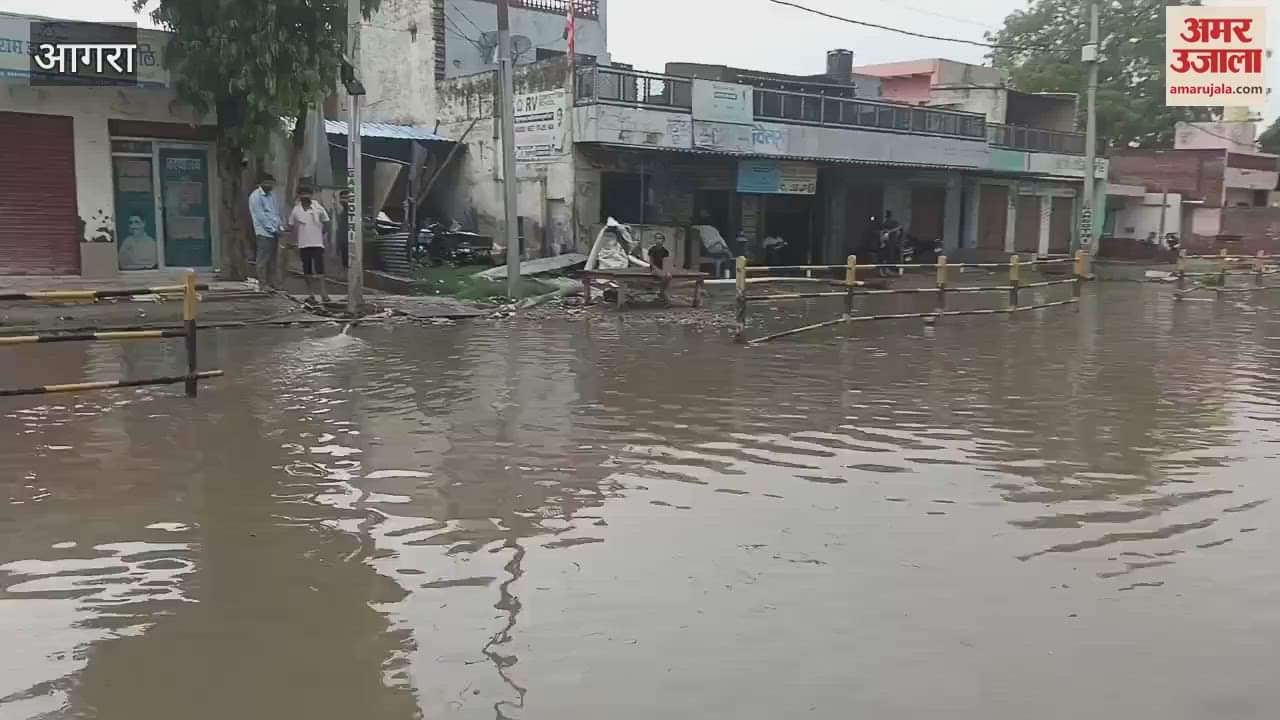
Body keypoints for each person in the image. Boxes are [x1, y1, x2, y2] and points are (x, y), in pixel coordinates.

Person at [287, 185, 332, 303]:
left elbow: (327, 221)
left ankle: (324, 293)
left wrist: (324, 235)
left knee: (320, 269)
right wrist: (289, 240)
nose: (305, 196)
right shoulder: (296, 209)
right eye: (303, 194)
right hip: (303, 244)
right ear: (299, 196)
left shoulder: (317, 207)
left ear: (311, 195)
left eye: (307, 194)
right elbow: (290, 226)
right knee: (307, 270)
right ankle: (311, 294)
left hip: (317, 243)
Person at [248, 174, 283, 289]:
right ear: (261, 183)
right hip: (264, 232)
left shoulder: (272, 195)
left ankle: (272, 283)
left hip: (274, 231)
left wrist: (279, 227)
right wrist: (272, 229)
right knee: (263, 260)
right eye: (267, 183)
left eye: (272, 183)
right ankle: (263, 284)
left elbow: (275, 213)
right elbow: (260, 216)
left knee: (273, 260)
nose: (270, 185)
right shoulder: (256, 196)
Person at [647, 235, 672, 303]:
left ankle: (662, 292)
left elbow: (666, 262)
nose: (658, 240)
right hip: (654, 268)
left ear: (663, 240)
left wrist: (667, 271)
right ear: (655, 240)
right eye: (657, 238)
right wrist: (657, 270)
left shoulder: (665, 251)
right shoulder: (652, 249)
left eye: (660, 238)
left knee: (669, 276)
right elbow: (651, 262)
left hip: (663, 269)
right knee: (663, 276)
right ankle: (662, 294)